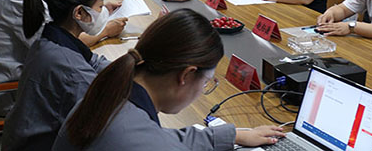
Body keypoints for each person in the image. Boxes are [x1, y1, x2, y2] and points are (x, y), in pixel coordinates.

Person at [52, 9, 285, 150]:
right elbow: (155, 142)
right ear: (186, 75)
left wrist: (233, 135)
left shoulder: (108, 94)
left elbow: (159, 137)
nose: (203, 89)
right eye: (207, 82)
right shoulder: (141, 138)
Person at [0, 0, 126, 117]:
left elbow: (87, 56)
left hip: (33, 78)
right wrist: (106, 30)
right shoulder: (19, 0)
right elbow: (71, 46)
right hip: (10, 91)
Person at [2, 0, 120, 150]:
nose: (103, 11)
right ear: (79, 13)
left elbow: (94, 61)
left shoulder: (52, 36)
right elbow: (104, 114)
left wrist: (130, 65)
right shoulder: (70, 69)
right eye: (100, 6)